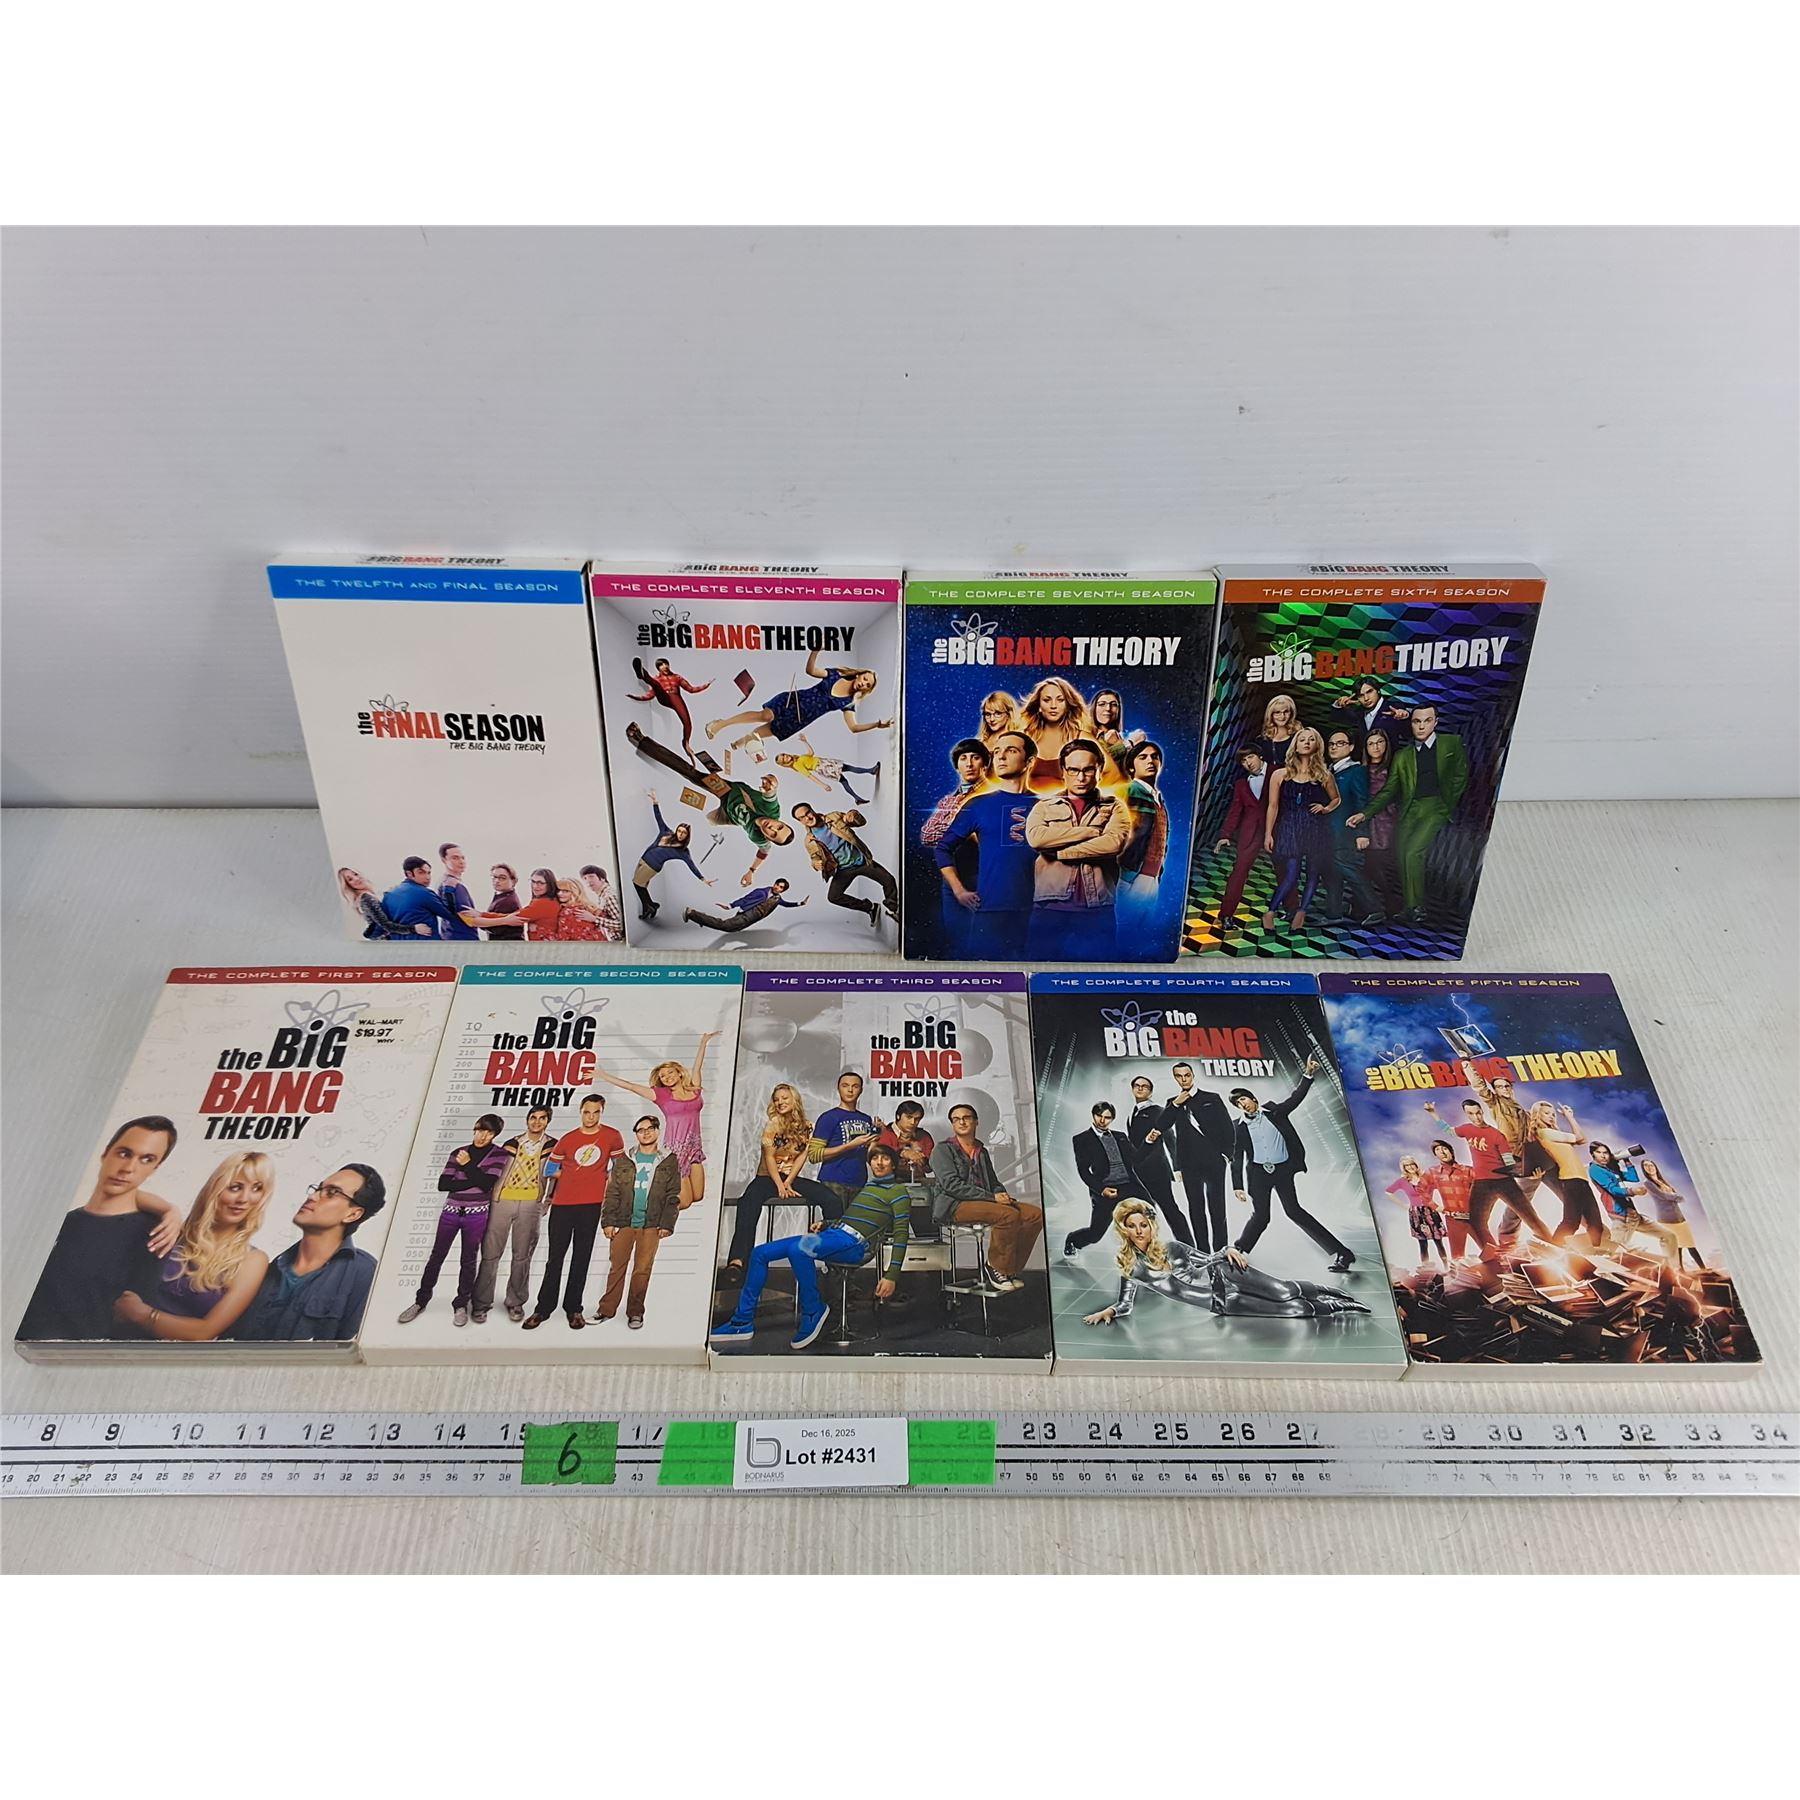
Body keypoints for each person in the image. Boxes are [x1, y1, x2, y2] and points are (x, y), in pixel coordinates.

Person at [710, 1142, 913, 1351]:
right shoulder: (869, 1187)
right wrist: (826, 1224)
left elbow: (901, 1234)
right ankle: (741, 1322)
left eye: (885, 1158)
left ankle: (813, 1309)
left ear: (893, 1165)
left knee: (799, 1249)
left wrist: (891, 1275)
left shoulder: (898, 1192)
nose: (879, 1163)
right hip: (836, 1234)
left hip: (856, 1245)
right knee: (760, 1253)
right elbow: (851, 1220)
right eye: (875, 1158)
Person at [17, 1116, 182, 1342]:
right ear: (106, 1153)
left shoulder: (156, 1233)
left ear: (156, 1167)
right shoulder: (61, 1222)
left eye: (146, 1159)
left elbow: (137, 1322)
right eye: (124, 1153)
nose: (128, 1168)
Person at [1082, 1198, 1369, 1325]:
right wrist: (1109, 1311)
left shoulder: (1172, 1247)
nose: (1139, 1231)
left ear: (1150, 1226)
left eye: (1143, 1224)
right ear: (1124, 1230)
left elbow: (1208, 1260)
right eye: (1132, 1226)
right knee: (1297, 1310)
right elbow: (1125, 1304)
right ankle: (1335, 1308)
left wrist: (1227, 1250)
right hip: (1220, 1303)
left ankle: (1335, 1294)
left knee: (1284, 1292)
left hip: (1224, 1273)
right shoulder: (1130, 1268)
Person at [113, 1151, 273, 1341]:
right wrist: (168, 1210)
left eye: (257, 1189)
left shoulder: (253, 1260)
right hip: (114, 1342)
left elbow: (204, 1332)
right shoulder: (173, 1232)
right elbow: (123, 1194)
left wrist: (144, 1315)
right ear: (215, 1189)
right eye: (235, 1187)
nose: (244, 1199)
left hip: (171, 1356)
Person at [624, 722, 795, 886]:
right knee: (691, 773)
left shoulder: (760, 839)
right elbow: (771, 794)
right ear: (780, 820)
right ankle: (641, 740)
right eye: (779, 826)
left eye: (773, 834)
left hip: (728, 816)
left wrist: (751, 871)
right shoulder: (772, 809)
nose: (772, 828)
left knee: (710, 818)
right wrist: (771, 784)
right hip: (729, 791)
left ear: (768, 838)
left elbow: (764, 853)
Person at [232, 1164, 386, 1341]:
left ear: (352, 1214)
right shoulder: (265, 1269)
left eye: (332, 1192)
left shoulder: (364, 1274)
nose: (312, 1197)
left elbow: (354, 1349)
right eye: (318, 1189)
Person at [1228, 1057, 1355, 1271]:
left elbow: (1295, 1098)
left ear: (1253, 1098)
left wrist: (1308, 1074)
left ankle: (1343, 1253)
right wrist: (1237, 1185)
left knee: (1294, 1211)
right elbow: (1237, 1157)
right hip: (1258, 1174)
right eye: (1238, 1104)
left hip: (1282, 1171)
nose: (1243, 1104)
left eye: (1244, 1099)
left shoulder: (1275, 1112)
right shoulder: (1237, 1127)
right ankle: (1238, 1250)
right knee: (1261, 1217)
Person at [1345, 703, 1468, 924]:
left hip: (1436, 806)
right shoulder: (1403, 755)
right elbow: (1389, 790)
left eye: (1426, 721)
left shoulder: (1452, 743)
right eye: (1416, 721)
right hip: (1410, 808)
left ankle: (1417, 907)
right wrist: (1365, 814)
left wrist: (1448, 804)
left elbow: (1460, 775)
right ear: (1411, 723)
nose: (1421, 726)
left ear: (1435, 722)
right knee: (1402, 854)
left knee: (1413, 852)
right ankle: (1409, 906)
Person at [932, 729, 1037, 958]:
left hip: (1036, 912)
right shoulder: (978, 805)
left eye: (1011, 750)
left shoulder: (1044, 805)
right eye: (997, 751)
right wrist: (959, 890)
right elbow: (943, 848)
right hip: (990, 910)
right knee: (981, 977)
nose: (1001, 757)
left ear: (1029, 761)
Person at [1024, 738, 1132, 959]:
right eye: (1073, 770)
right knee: (1041, 970)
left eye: (1088, 770)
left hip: (1098, 910)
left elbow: (1113, 844)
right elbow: (1037, 840)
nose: (1081, 777)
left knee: (1098, 974)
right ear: (1063, 771)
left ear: (1099, 771)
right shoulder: (1044, 806)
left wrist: (1060, 852)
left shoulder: (1114, 807)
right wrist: (1089, 832)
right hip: (1049, 909)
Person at [398, 1114, 508, 1328]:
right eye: (480, 1130)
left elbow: (487, 1184)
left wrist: (466, 1167)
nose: (482, 1136)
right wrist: (474, 1179)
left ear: (495, 1135)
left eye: (489, 1132)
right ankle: (420, 1301)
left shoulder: (498, 1154)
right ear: (474, 1129)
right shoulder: (458, 1152)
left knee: (468, 1259)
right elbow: (443, 1184)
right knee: (436, 1256)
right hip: (450, 1211)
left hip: (477, 1214)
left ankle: (461, 1304)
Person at [525, 1093, 620, 1331]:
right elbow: (549, 1169)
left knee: (581, 1257)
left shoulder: (611, 1136)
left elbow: (621, 1167)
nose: (591, 1117)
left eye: (596, 1112)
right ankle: (543, 1308)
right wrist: (571, 1177)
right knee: (555, 1258)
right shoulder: (569, 1139)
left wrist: (603, 1179)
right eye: (587, 1112)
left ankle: (573, 1308)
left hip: (591, 1205)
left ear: (602, 1112)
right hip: (563, 1205)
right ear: (581, 1111)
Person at [723, 1084, 843, 1269]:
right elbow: (769, 1157)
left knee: (831, 1199)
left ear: (794, 1100)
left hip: (789, 1177)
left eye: (785, 1098)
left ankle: (834, 1258)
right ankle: (737, 1261)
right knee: (748, 1202)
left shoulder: (808, 1126)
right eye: (776, 1099)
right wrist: (780, 1186)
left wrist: (788, 1182)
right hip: (767, 1177)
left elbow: (802, 1156)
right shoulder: (773, 1124)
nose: (780, 1102)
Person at [1421, 1093, 1555, 1255]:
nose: (1476, 1117)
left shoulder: (1496, 1135)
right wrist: (1433, 1113)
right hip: (1482, 1183)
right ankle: (1496, 1256)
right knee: (1475, 1221)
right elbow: (1449, 1131)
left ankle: (1555, 1246)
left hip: (1504, 1181)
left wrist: (1528, 1174)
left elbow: (1509, 1161)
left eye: (1478, 1113)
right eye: (1471, 1114)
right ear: (1467, 1114)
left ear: (1482, 1111)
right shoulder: (1466, 1129)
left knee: (1529, 1216)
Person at [928, 1101, 1043, 1289]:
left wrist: (1000, 1193)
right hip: (955, 1205)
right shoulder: (942, 1150)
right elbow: (951, 1186)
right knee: (1008, 1215)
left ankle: (1009, 1270)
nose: (962, 1122)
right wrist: (992, 1198)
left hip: (985, 1202)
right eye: (956, 1119)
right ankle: (995, 1267)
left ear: (976, 1122)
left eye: (966, 1118)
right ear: (952, 1124)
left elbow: (993, 1181)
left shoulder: (981, 1151)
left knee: (1034, 1215)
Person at [704, 648, 891, 756]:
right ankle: (721, 724)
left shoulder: (848, 703)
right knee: (765, 715)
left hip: (800, 719)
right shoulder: (836, 674)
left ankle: (739, 742)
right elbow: (811, 671)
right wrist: (815, 651)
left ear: (866, 690)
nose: (863, 683)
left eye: (867, 685)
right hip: (794, 700)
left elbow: (854, 728)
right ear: (859, 674)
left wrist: (877, 724)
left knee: (760, 734)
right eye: (865, 678)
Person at [593, 1114, 682, 1328]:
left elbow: (673, 1194)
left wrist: (667, 1223)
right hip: (624, 1222)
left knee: (642, 1269)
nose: (646, 1133)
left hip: (651, 1224)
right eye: (641, 1130)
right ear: (636, 1134)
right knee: (617, 1267)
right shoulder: (625, 1160)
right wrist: (608, 1222)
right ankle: (606, 1310)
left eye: (650, 1128)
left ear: (657, 1131)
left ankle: (635, 1312)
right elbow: (612, 1192)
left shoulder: (668, 1160)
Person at [474, 1105, 555, 1322]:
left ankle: (515, 1302)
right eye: (533, 1117)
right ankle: (481, 1303)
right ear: (527, 1119)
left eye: (542, 1118)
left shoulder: (552, 1146)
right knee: (490, 1254)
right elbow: (494, 1170)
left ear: (547, 1122)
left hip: (531, 1203)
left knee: (522, 1256)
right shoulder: (511, 1143)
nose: (536, 1122)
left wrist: (548, 1200)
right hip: (502, 1201)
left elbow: (557, 1175)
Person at [1261, 726, 1338, 931]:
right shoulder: (1280, 774)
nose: (1306, 742)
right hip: (1290, 828)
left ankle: (1301, 913)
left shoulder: (1324, 775)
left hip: (1315, 828)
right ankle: (1270, 912)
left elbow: (1336, 799)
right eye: (1302, 739)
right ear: (1295, 745)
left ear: (1317, 745)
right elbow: (1273, 806)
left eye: (1311, 739)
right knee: (1291, 874)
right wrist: (1268, 834)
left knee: (1313, 873)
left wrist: (1326, 808)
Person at [920, 738, 992, 956]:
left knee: (983, 939)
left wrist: (955, 828)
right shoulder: (948, 800)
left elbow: (987, 836)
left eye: (975, 758)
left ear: (985, 764)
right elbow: (927, 835)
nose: (969, 764)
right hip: (951, 874)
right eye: (963, 759)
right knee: (955, 938)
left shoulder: (991, 796)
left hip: (982, 874)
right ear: (957, 766)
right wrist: (961, 829)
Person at [792, 802, 899, 929]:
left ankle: (893, 910)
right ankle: (870, 907)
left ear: (812, 810)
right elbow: (815, 857)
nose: (807, 818)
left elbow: (860, 822)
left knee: (888, 880)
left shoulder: (834, 817)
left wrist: (854, 815)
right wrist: (815, 864)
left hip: (862, 861)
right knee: (833, 897)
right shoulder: (809, 841)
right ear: (800, 821)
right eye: (802, 818)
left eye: (807, 813)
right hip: (843, 870)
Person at [1162, 1060, 1231, 1249]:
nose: (1183, 1079)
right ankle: (1202, 1251)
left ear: (1192, 1075)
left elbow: (1227, 1127)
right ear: (1175, 1078)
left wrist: (1227, 1155)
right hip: (1189, 1165)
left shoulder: (1212, 1098)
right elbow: (1163, 1126)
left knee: (1217, 1208)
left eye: (1187, 1075)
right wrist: (1175, 1104)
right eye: (1179, 1076)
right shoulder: (1172, 1103)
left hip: (1214, 1162)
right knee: (1196, 1208)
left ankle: (1221, 1250)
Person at [1065, 1102, 1148, 1254]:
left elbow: (1136, 1158)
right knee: (1096, 1234)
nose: (1102, 1120)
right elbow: (1083, 1171)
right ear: (1093, 1115)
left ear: (1112, 1119)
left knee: (1149, 1213)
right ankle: (1073, 1239)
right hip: (1106, 1187)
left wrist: (1148, 1142)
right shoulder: (1081, 1139)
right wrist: (1101, 1190)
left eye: (1107, 1117)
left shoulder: (1120, 1136)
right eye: (1099, 1116)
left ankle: (1140, 1254)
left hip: (1130, 1185)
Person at [1526, 1100, 1609, 1248]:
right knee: (1571, 1222)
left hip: (1580, 1179)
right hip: (1570, 1179)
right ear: (1538, 1115)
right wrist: (1569, 1117)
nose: (1551, 1116)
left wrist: (1569, 1116)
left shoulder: (1554, 1134)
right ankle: (1553, 1249)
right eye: (1546, 1113)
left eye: (1553, 1114)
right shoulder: (1544, 1132)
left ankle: (1596, 1252)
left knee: (1595, 1224)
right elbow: (1580, 1138)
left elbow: (1582, 1139)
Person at [1209, 748, 1272, 930]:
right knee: (1239, 872)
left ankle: (1292, 911)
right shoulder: (1241, 784)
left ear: (1260, 756)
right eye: (1243, 761)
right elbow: (1235, 811)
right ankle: (1226, 915)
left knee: (1285, 870)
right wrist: (1225, 835)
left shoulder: (1277, 771)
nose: (1248, 763)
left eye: (1250, 757)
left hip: (1276, 830)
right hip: (1249, 832)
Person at [1587, 1143, 1681, 1257]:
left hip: (1633, 1215)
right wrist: (1633, 1191)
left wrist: (1626, 1160)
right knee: (1614, 1254)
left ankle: (1673, 1266)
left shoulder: (1609, 1169)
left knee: (1669, 1236)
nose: (1603, 1156)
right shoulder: (1595, 1169)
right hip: (1621, 1217)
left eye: (1605, 1153)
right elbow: (1612, 1189)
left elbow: (1633, 1178)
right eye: (1599, 1152)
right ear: (1593, 1154)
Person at [1124, 1074, 1186, 1246]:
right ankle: (1146, 1249)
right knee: (1143, 1213)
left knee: (1169, 1209)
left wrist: (1176, 1167)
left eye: (1144, 1086)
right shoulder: (1133, 1113)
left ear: (1150, 1092)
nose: (1140, 1088)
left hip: (1156, 1170)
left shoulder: (1158, 1111)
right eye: (1136, 1085)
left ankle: (1188, 1246)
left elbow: (1171, 1138)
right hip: (1138, 1172)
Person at [632, 790, 712, 922]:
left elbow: (691, 865)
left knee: (638, 884)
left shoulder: (683, 851)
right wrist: (655, 802)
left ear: (687, 835)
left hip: (651, 866)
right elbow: (659, 818)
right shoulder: (666, 832)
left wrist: (703, 879)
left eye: (684, 833)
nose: (680, 834)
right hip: (643, 859)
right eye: (679, 831)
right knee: (641, 885)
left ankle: (648, 907)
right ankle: (652, 905)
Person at [1324, 731, 1378, 922]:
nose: (1334, 747)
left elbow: (1362, 802)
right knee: (1331, 872)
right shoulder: (1328, 771)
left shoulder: (1356, 771)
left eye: (1340, 743)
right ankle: (1333, 913)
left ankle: (1375, 908)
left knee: (1348, 868)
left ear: (1351, 747)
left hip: (1346, 831)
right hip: (1329, 832)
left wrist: (1362, 833)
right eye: (1331, 744)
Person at [812, 1071, 884, 1215]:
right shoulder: (828, 1118)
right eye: (845, 1086)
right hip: (834, 1180)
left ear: (861, 1090)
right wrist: (850, 1145)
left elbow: (868, 1155)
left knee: (855, 1225)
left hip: (859, 1180)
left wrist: (876, 1139)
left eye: (855, 1086)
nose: (850, 1090)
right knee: (835, 1224)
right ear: (838, 1089)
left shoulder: (866, 1119)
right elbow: (814, 1155)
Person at [1115, 739, 1168, 931]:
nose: (1150, 761)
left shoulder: (1157, 798)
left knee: (1142, 932)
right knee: (1124, 929)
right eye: (1143, 757)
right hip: (1130, 874)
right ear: (1131, 767)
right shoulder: (1128, 790)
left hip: (1152, 876)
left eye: (1155, 757)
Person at [1357, 730, 1403, 920]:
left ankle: (1391, 903)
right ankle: (1369, 904)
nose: (1375, 747)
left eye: (1379, 742)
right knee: (1367, 864)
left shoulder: (1392, 769)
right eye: (1371, 743)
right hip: (1364, 819)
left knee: (1377, 863)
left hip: (1384, 820)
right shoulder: (1362, 769)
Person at [628, 655, 711, 757]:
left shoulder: (677, 677)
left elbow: (691, 689)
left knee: (687, 723)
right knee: (656, 684)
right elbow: (650, 695)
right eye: (661, 665)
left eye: (666, 664)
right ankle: (643, 674)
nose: (665, 666)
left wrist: (705, 686)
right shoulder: (657, 680)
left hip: (676, 698)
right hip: (664, 698)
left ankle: (685, 743)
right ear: (658, 668)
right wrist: (638, 698)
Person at [1019, 677, 1092, 787]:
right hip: (1026, 798)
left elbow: (1111, 774)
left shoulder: (1082, 738)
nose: (1053, 706)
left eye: (1060, 700)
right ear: (1039, 706)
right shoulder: (1022, 738)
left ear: (1068, 705)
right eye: (1047, 700)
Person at [458, 867, 563, 941]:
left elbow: (514, 917)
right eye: (533, 882)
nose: (535, 886)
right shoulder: (547, 901)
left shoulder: (544, 903)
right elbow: (509, 918)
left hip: (544, 950)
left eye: (540, 883)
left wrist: (480, 915)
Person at [774, 734, 881, 806]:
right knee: (846, 775)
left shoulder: (798, 758)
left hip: (824, 762)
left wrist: (805, 742)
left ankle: (858, 796)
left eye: (784, 755)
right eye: (784, 759)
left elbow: (811, 753)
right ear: (784, 764)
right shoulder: (797, 765)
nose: (786, 757)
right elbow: (810, 776)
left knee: (846, 774)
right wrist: (823, 785)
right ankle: (870, 772)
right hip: (823, 767)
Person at [1638, 1157, 1705, 1269]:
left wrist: (1674, 1197)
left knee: (1690, 1244)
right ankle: (1681, 1271)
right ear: (1643, 1169)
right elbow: (1663, 1196)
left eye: (1651, 1165)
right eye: (1646, 1165)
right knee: (1677, 1248)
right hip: (1667, 1219)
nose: (1649, 1167)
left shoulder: (1662, 1181)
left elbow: (1670, 1196)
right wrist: (1677, 1197)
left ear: (1655, 1167)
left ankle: (1703, 1268)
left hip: (1679, 1217)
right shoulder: (1648, 1183)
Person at [1383, 1155, 1448, 1266]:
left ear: (1416, 1165)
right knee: (1422, 1243)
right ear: (1404, 1168)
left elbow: (1441, 1186)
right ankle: (1426, 1269)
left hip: (1431, 1211)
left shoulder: (1427, 1177)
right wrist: (1403, 1205)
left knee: (1438, 1241)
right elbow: (1388, 1192)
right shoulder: (1402, 1181)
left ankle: (1447, 1266)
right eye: (1407, 1166)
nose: (1410, 1167)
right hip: (1416, 1214)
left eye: (1412, 1164)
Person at [380, 856, 468, 938]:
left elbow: (382, 926)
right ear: (409, 874)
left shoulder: (389, 895)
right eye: (421, 873)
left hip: (398, 945)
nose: (427, 877)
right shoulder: (425, 893)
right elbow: (449, 915)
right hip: (425, 944)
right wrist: (449, 891)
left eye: (429, 873)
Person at [683, 878, 807, 934]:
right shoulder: (761, 892)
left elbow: (786, 904)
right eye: (777, 884)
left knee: (731, 929)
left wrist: (800, 903)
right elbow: (745, 899)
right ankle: (692, 913)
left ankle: (700, 918)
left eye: (780, 887)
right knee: (723, 925)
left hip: (753, 919)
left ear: (782, 891)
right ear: (774, 884)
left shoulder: (777, 899)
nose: (777, 887)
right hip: (747, 915)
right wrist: (731, 905)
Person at [1424, 1138, 1477, 1260]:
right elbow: (1420, 1190)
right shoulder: (1433, 1172)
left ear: (1451, 1152)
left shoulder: (1468, 1170)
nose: (1442, 1152)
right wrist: (1436, 1207)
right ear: (1435, 1155)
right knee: (1457, 1257)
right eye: (1438, 1150)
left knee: (1491, 1249)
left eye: (1444, 1149)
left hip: (1474, 1217)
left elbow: (1486, 1187)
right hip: (1453, 1219)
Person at [338, 867, 426, 940]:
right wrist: (414, 929)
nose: (356, 879)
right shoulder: (366, 898)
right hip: (385, 942)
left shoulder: (371, 894)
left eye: (355, 874)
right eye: (350, 879)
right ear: (349, 885)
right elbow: (385, 925)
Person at [1331, 677, 1411, 744]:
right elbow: (1336, 720)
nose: (1366, 698)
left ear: (1378, 690)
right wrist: (1338, 704)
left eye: (1369, 692)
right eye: (1361, 695)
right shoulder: (1358, 712)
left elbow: (1408, 734)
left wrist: (1405, 717)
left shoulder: (1394, 708)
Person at [875, 1100, 935, 1187]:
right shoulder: (884, 1134)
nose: (913, 1122)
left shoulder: (924, 1136)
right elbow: (880, 1158)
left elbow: (929, 1168)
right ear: (898, 1116)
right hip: (889, 1183)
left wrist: (921, 1158)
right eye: (909, 1117)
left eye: (917, 1119)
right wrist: (903, 1153)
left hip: (918, 1183)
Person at [436, 842, 480, 941]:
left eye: (462, 858)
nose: (461, 862)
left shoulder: (444, 882)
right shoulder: (453, 885)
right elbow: (470, 920)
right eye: (455, 858)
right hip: (462, 940)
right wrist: (505, 920)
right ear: (444, 860)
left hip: (449, 936)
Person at [1090, 688, 1144, 767]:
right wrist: (1130, 743)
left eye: (1114, 705)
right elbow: (1096, 763)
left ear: (1119, 710)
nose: (1108, 708)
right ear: (1094, 708)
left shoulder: (1123, 736)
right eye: (1102, 704)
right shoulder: (1086, 735)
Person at [1254, 692, 1300, 770]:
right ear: (1271, 714)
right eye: (1277, 712)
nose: (1282, 716)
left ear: (1291, 713)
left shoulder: (1299, 737)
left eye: (1286, 712)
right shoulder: (1261, 740)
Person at [579, 865, 626, 942]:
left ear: (602, 878)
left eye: (591, 876)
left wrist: (594, 919)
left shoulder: (609, 896)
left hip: (619, 941)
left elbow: (622, 925)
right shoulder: (602, 896)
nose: (588, 881)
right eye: (585, 878)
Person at [484, 863, 526, 941]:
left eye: (502, 878)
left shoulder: (508, 901)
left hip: (508, 945)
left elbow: (496, 929)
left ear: (513, 881)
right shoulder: (502, 896)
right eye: (494, 877)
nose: (496, 881)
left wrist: (477, 921)